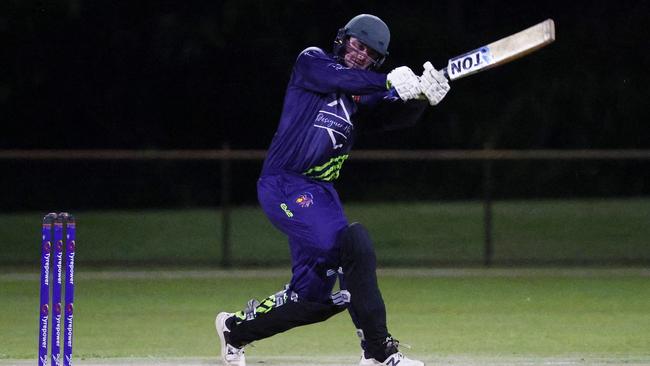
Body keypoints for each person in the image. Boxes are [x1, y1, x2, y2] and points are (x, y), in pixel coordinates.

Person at [215, 14, 450, 366]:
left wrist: (421, 98)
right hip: (283, 183)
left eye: (369, 54)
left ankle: (234, 331)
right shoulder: (312, 62)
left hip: (320, 194)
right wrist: (387, 79)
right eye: (357, 45)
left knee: (310, 301)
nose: (360, 55)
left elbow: (390, 116)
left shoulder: (360, 98)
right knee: (350, 245)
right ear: (343, 40)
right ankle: (378, 352)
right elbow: (343, 78)